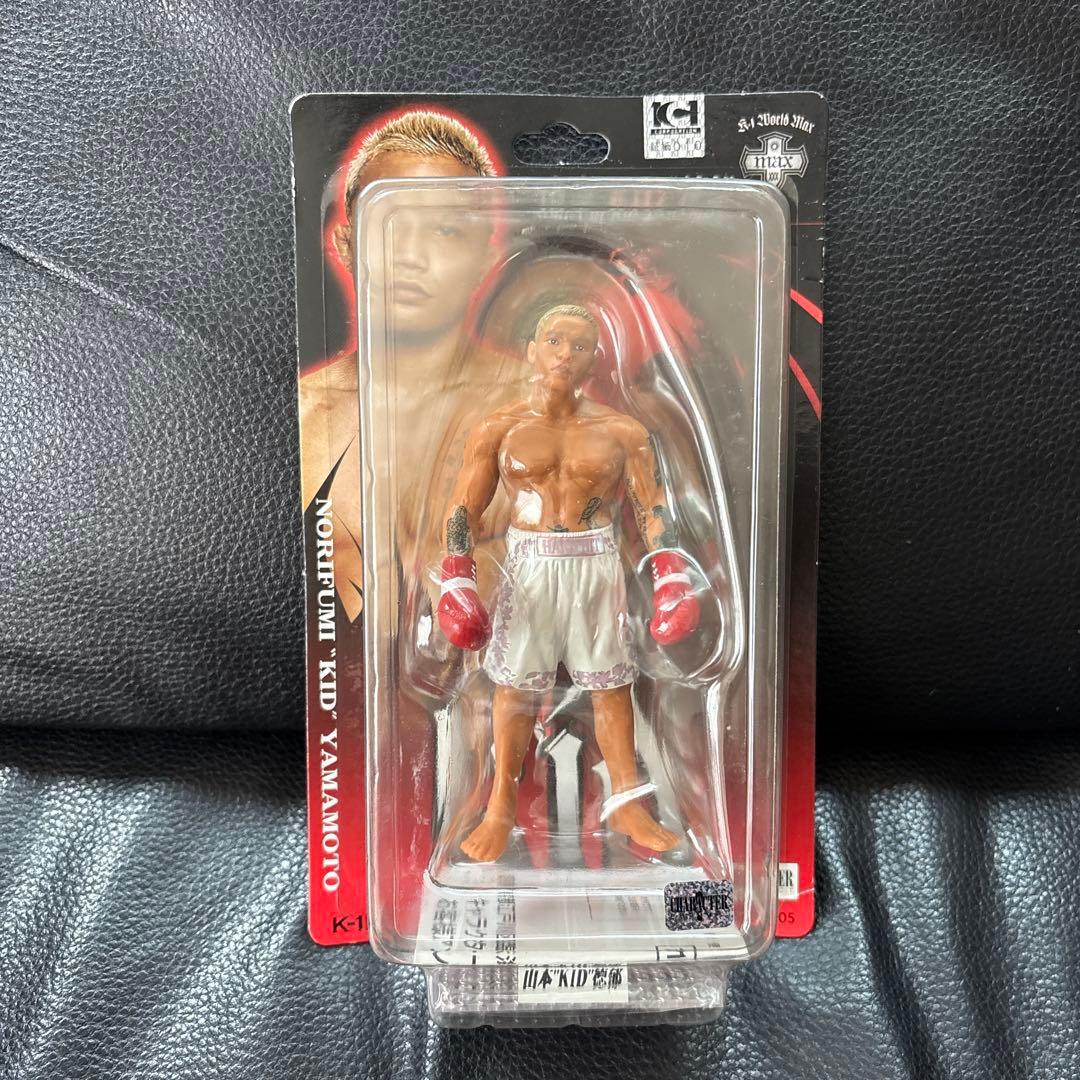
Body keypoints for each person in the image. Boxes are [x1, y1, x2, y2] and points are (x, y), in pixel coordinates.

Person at [436, 305, 702, 861]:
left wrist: (671, 575)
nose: (565, 354)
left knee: (612, 687)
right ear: (532, 350)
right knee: (513, 689)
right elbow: (464, 507)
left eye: (579, 346)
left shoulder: (623, 431)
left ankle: (626, 802)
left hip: (597, 562)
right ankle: (500, 807)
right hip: (528, 566)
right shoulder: (499, 428)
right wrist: (457, 578)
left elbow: (653, 506)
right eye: (554, 341)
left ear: (595, 359)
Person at [298, 110, 499, 621]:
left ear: (485, 259)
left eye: (446, 230)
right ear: (346, 247)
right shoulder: (302, 420)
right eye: (389, 224)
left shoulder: (537, 412)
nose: (411, 256)